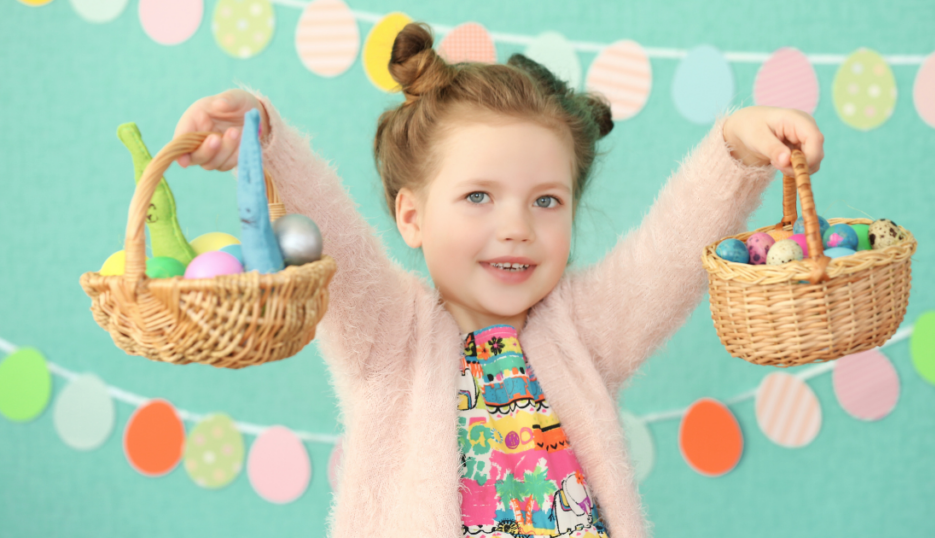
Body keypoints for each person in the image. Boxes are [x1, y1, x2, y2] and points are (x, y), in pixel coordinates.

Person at [173, 21, 823, 538]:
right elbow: (332, 236)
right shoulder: (386, 340)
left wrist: (737, 149)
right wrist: (264, 141)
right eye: (479, 197)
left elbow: (669, 253)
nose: (517, 228)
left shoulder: (584, 333)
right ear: (412, 216)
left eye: (546, 201)